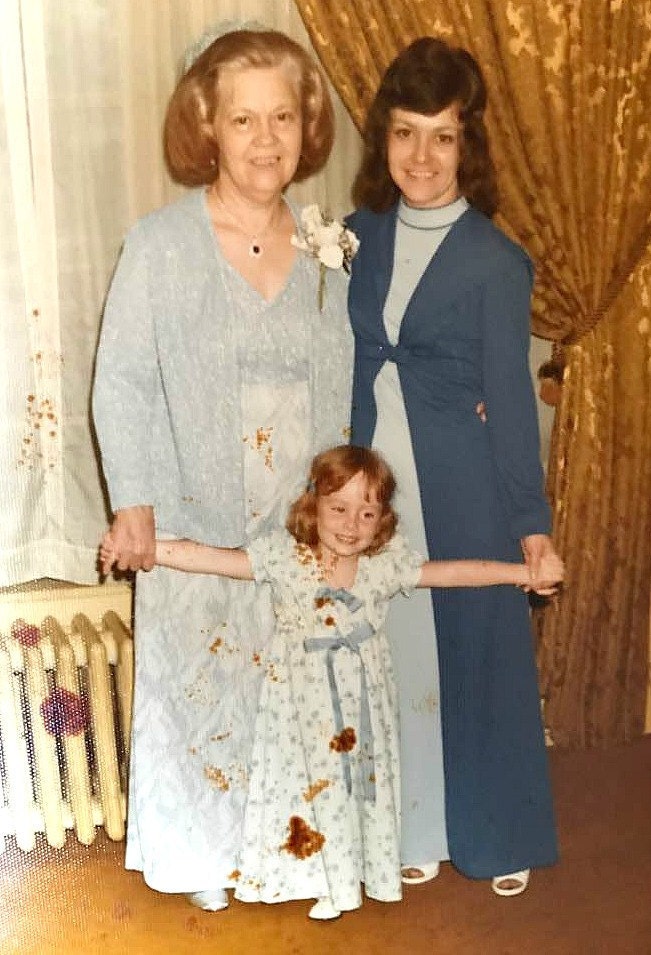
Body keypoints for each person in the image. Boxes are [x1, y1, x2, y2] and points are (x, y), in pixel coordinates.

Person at [92, 27, 353, 912]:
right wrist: (132, 502)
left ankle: (291, 849)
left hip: (293, 515)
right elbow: (121, 380)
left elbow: (343, 385)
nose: (265, 139)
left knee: (290, 683)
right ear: (207, 125)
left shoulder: (328, 250)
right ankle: (203, 853)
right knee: (202, 674)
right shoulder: (159, 244)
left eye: (283, 116)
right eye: (242, 119)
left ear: (307, 123)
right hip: (195, 510)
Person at [99, 445, 564, 920]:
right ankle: (314, 877)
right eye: (338, 509)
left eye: (367, 513)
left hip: (362, 704)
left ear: (381, 518)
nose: (350, 525)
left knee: (349, 788)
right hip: (298, 702)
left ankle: (345, 882)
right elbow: (211, 559)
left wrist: (519, 574)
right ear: (313, 504)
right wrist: (145, 549)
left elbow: (452, 572)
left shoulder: (383, 564)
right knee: (303, 788)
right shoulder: (287, 559)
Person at [347, 37, 561, 896]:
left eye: (441, 136)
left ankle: (496, 830)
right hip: (368, 487)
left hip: (463, 482)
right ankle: (413, 825)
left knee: (475, 652)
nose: (422, 157)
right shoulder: (353, 236)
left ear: (468, 144)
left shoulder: (497, 261)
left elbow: (510, 400)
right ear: (383, 138)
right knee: (392, 656)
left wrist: (531, 527)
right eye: (405, 133)